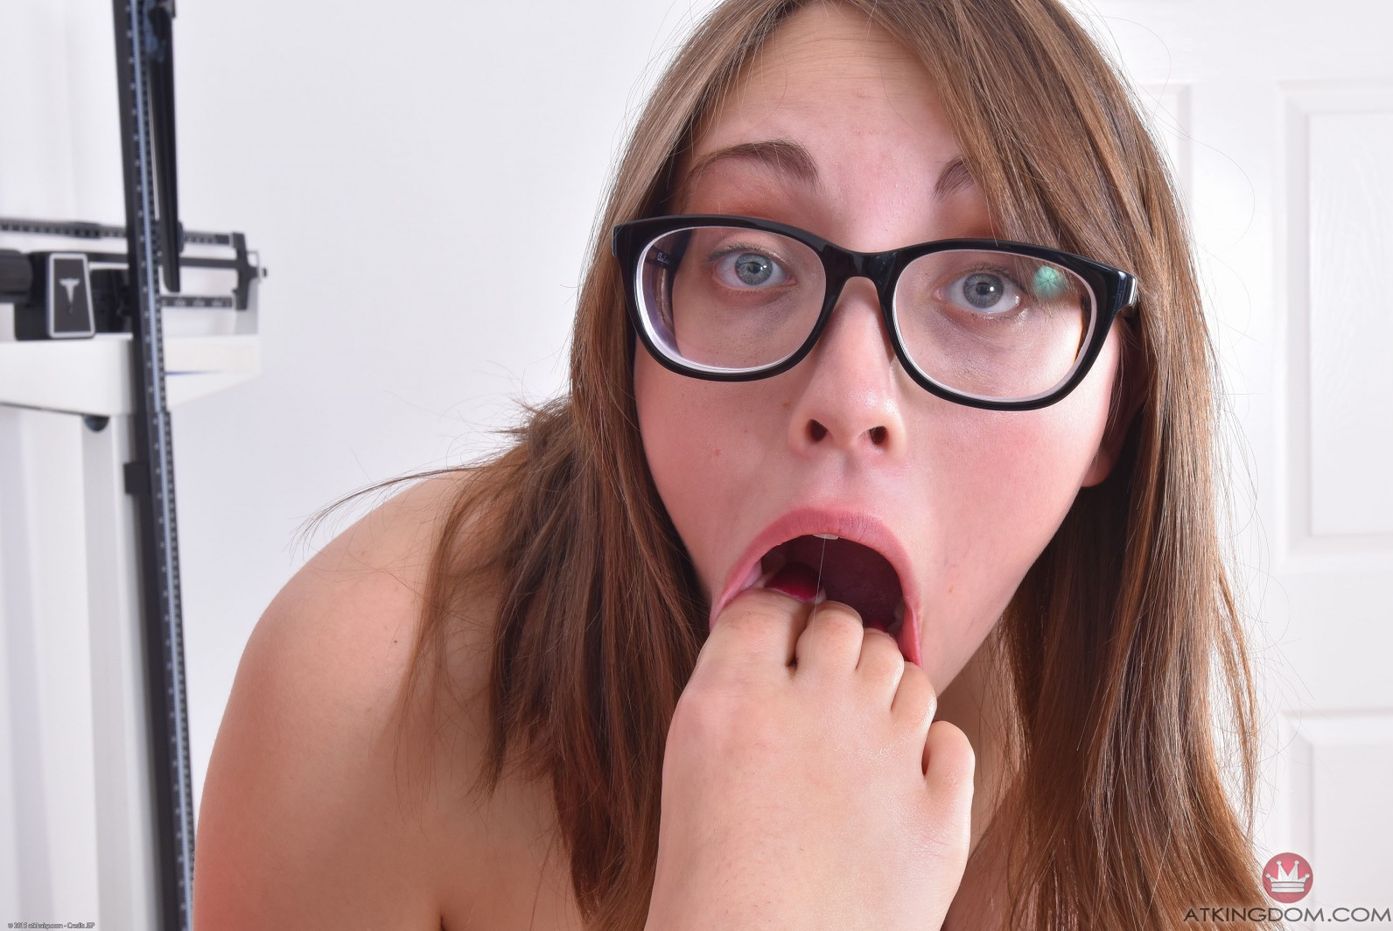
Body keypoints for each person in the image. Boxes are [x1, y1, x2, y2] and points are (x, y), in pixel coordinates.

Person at [193, 0, 1277, 928]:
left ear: (1116, 410)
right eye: (751, 262)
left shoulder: (1106, 754)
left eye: (987, 287)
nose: (850, 398)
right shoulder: (370, 682)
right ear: (627, 341)